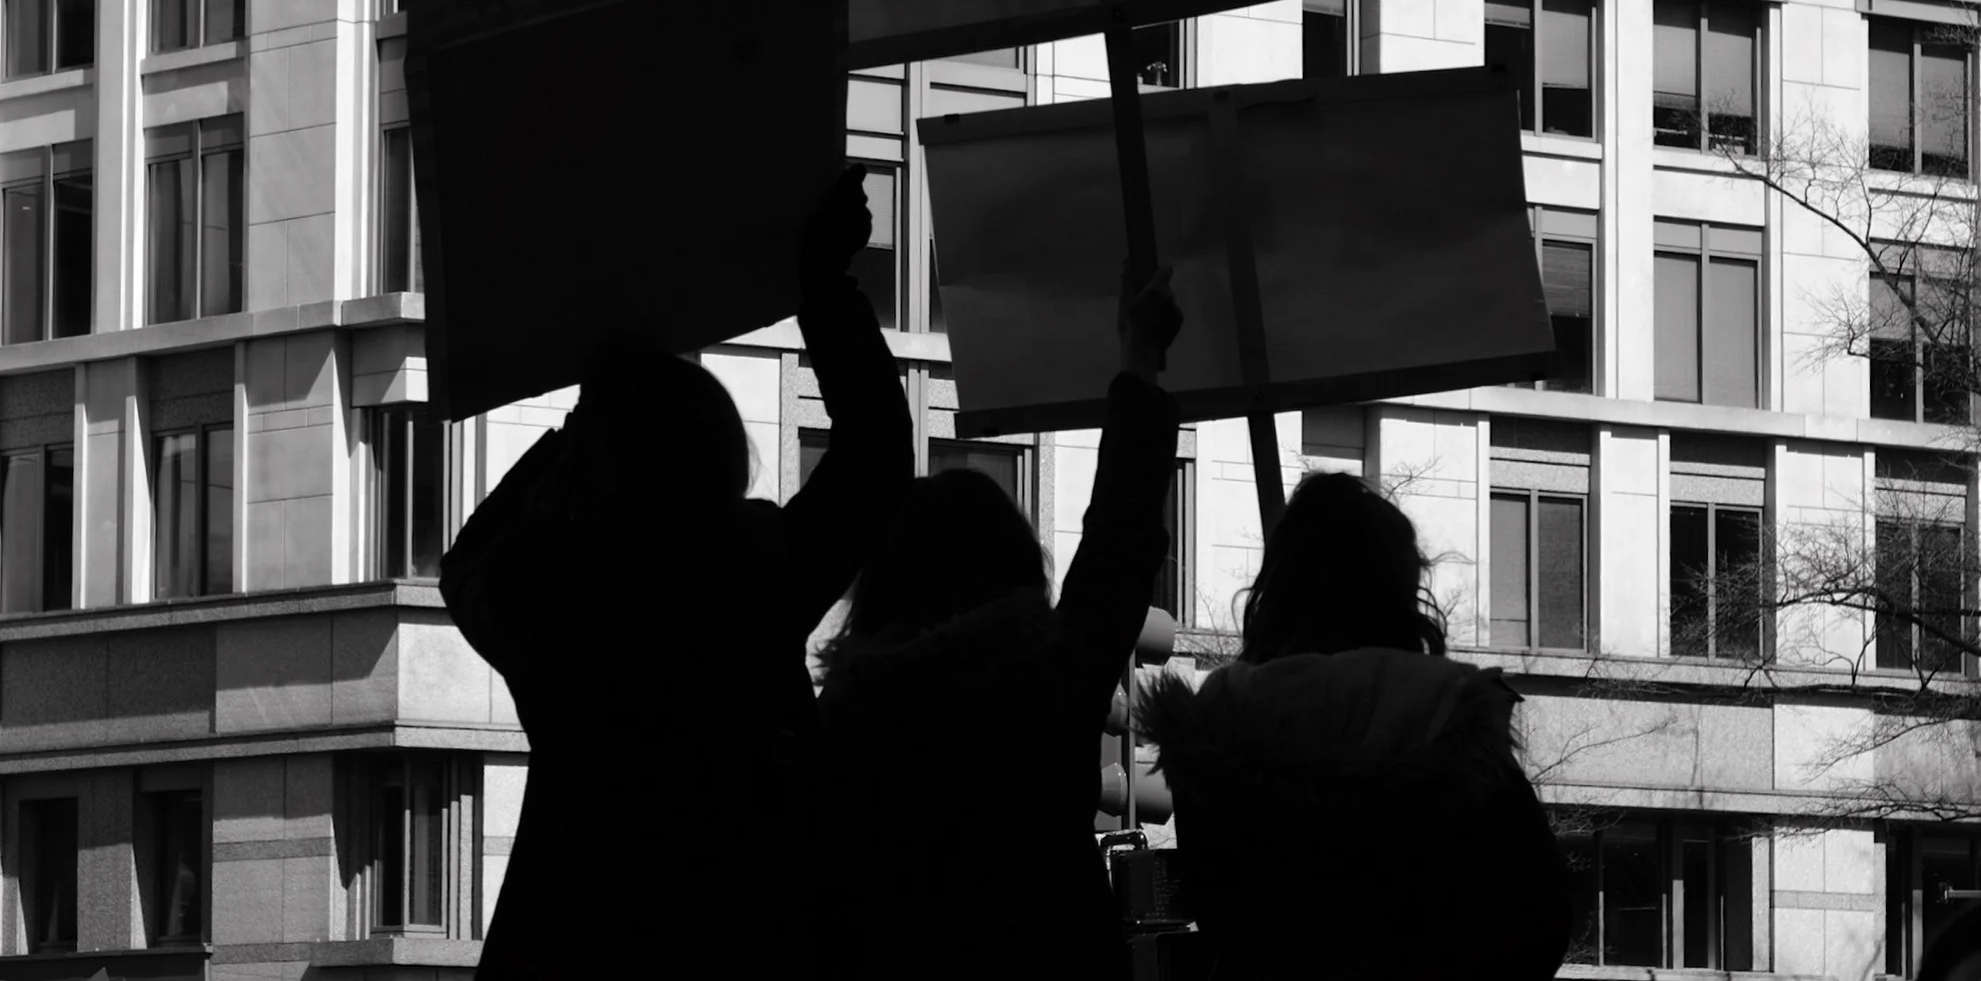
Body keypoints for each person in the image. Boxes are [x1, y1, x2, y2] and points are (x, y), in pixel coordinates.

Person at [439, 164, 912, 978]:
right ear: (719, 455)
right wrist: (824, 287)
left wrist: (579, 430)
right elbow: (874, 456)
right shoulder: (751, 580)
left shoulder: (552, 606)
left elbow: (468, 563)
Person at [812, 264, 1186, 981]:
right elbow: (1121, 537)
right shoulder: (1048, 679)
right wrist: (1140, 359)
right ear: (1017, 568)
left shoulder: (847, 718)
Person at [1137, 472, 1572, 981]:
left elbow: (1214, 905)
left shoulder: (1218, 718)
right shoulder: (1449, 712)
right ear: (1401, 588)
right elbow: (1537, 918)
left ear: (1277, 587)